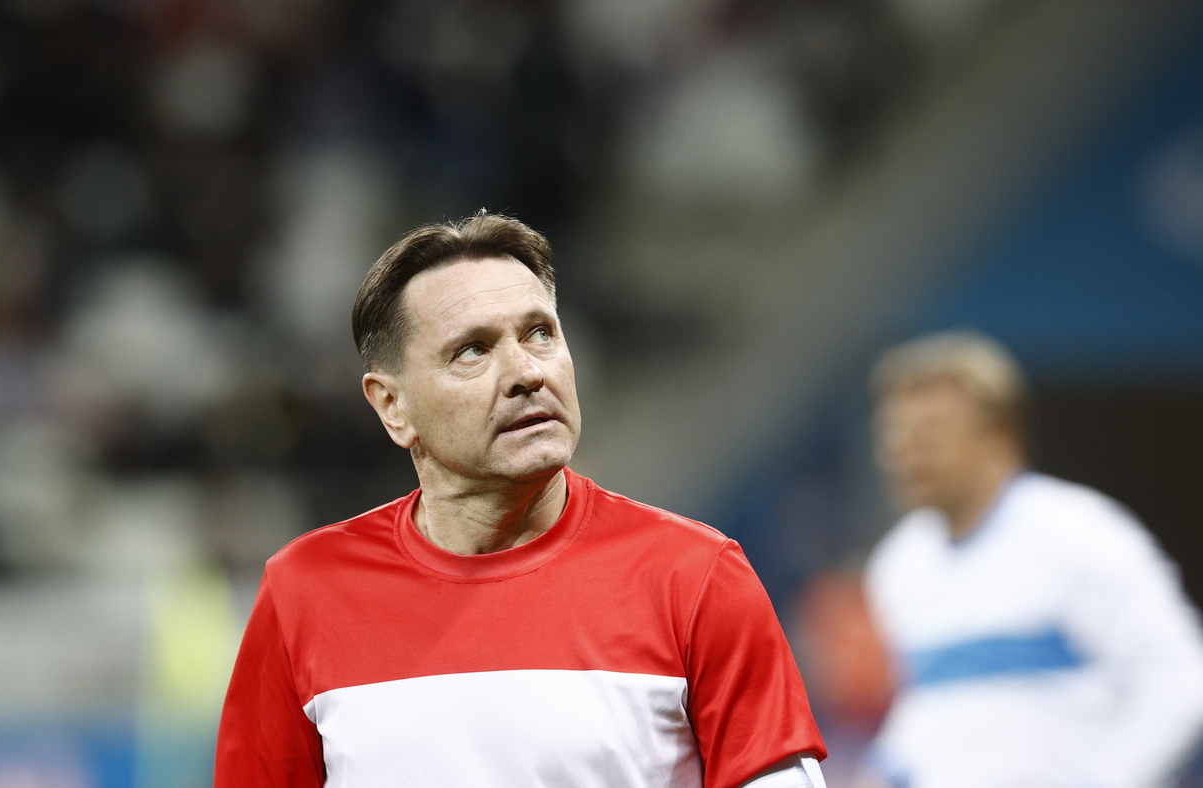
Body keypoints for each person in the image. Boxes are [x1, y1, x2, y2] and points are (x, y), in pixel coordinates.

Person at [214, 213, 827, 787]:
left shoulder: (696, 577)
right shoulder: (304, 593)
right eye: (473, 350)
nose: (527, 372)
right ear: (392, 406)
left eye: (540, 334)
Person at [859, 331, 1203, 788]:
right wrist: (882, 771)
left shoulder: (1081, 533)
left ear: (1000, 436)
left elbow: (1180, 681)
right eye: (895, 434)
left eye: (931, 430)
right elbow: (936, 705)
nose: (906, 451)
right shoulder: (898, 564)